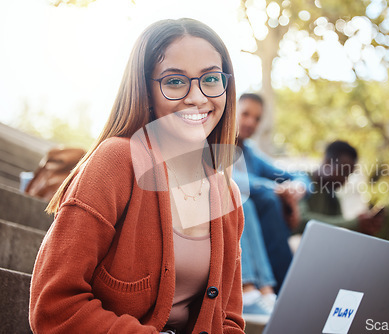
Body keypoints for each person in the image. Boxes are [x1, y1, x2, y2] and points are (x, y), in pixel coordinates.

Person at [29, 19, 245, 334]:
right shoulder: (116, 161)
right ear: (146, 91)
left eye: (211, 78)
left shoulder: (229, 194)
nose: (198, 97)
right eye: (174, 82)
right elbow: (54, 306)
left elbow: (229, 321)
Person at [234, 93, 309, 293]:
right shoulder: (214, 144)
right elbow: (229, 178)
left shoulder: (251, 154)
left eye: (257, 118)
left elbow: (298, 176)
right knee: (267, 200)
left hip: (263, 225)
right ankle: (283, 288)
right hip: (239, 216)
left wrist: (296, 189)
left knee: (274, 204)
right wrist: (277, 190)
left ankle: (281, 289)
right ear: (232, 111)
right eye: (245, 114)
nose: (250, 122)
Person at [297, 140, 383, 236]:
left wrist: (362, 229)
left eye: (348, 175)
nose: (345, 180)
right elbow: (300, 220)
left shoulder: (332, 196)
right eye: (343, 172)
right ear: (327, 162)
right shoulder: (301, 181)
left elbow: (337, 232)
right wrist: (355, 223)